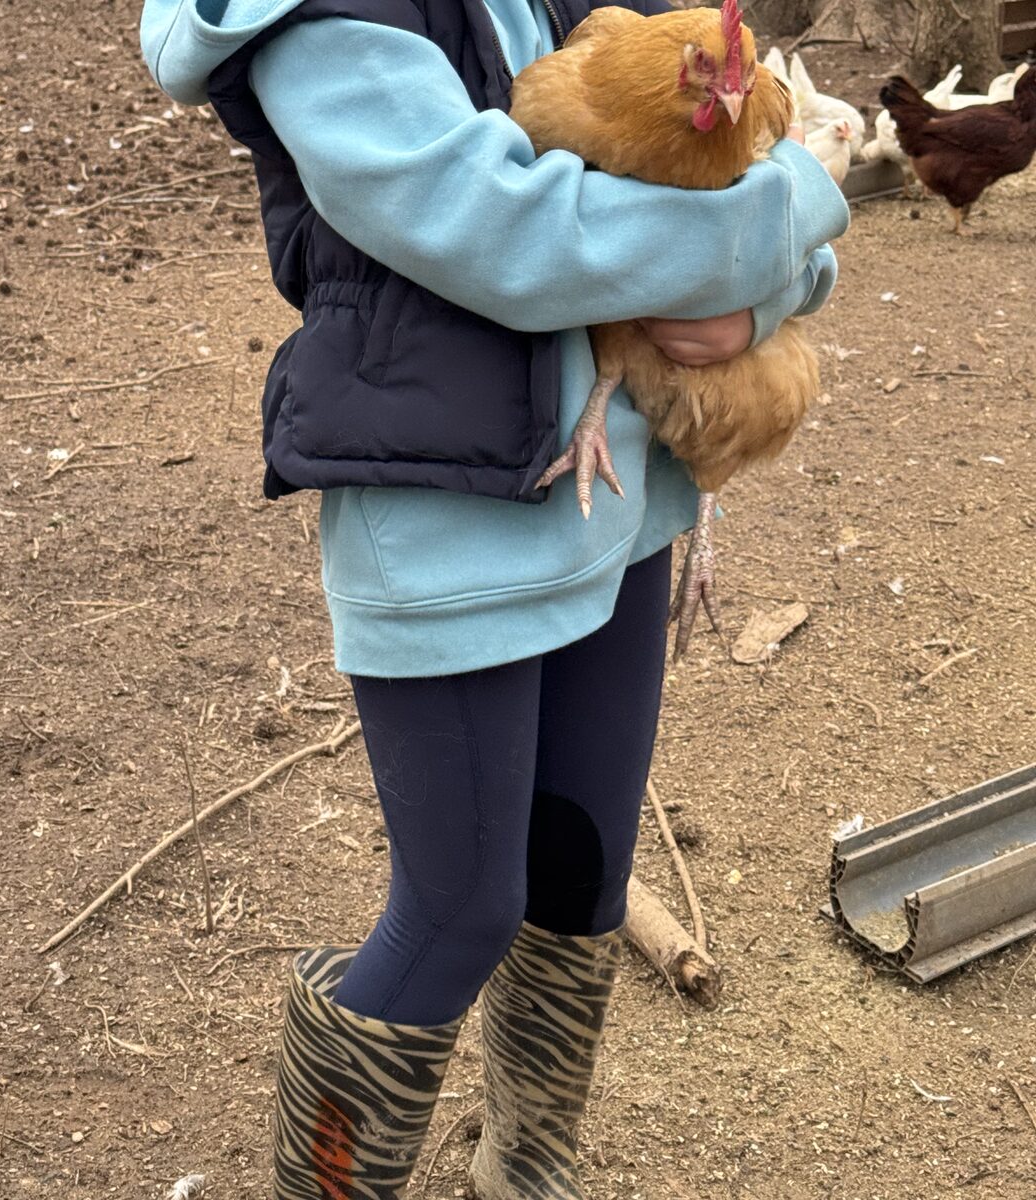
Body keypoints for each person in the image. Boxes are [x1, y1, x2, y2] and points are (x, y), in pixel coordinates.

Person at [141, 0, 848, 1195]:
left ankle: (526, 1170)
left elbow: (760, 210)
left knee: (582, 877)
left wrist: (761, 292)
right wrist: (794, 212)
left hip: (618, 508)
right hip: (449, 529)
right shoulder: (326, 22)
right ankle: (329, 1180)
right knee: (461, 910)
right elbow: (512, 237)